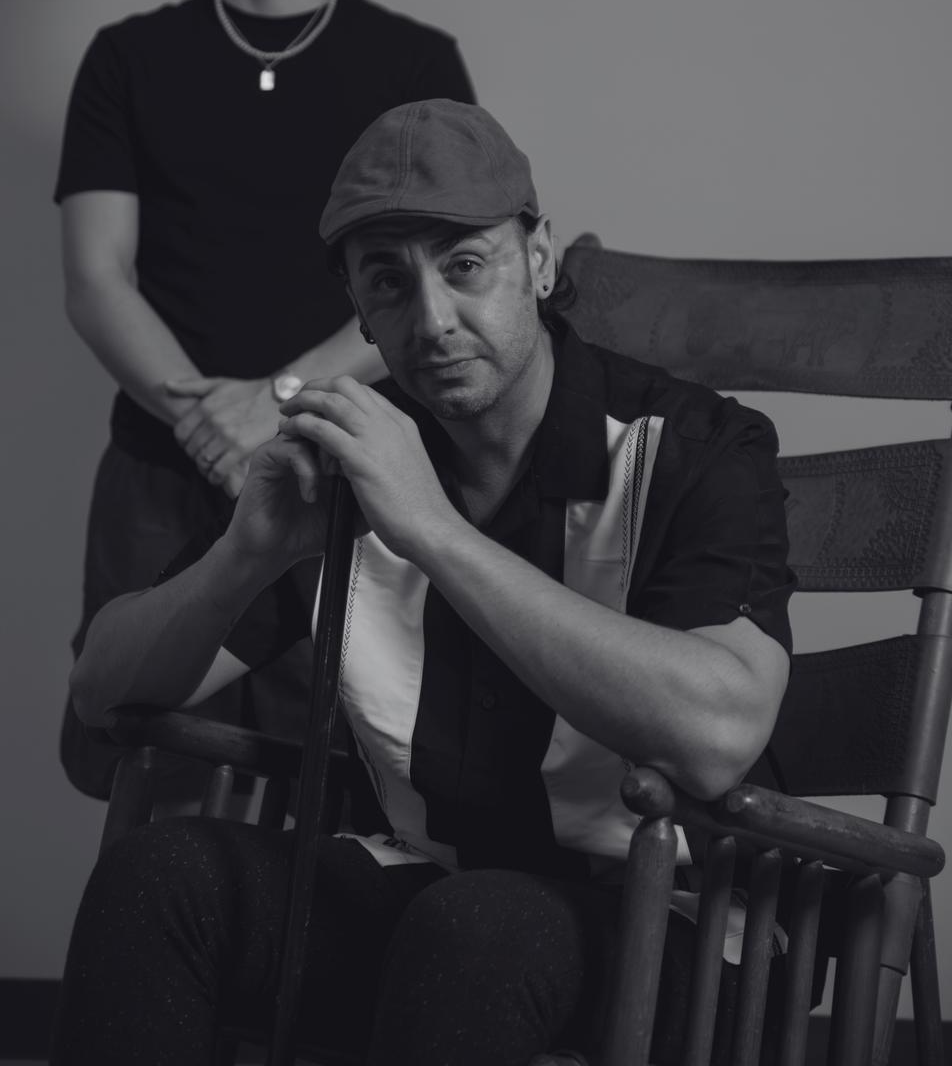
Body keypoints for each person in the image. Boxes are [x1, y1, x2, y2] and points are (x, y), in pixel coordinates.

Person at [53, 98, 794, 1066]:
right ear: (359, 309)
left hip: (672, 912)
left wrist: (432, 530)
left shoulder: (694, 448)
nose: (433, 320)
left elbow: (717, 736)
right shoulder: (349, 457)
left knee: (477, 928)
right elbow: (102, 693)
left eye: (465, 266)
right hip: (422, 893)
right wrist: (246, 555)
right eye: (388, 281)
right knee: (160, 876)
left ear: (538, 259)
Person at [55, 0, 475, 798]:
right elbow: (97, 278)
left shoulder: (413, 63)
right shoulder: (127, 58)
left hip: (343, 458)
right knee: (134, 749)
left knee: (330, 774)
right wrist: (209, 421)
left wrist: (277, 403)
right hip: (159, 465)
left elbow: (439, 280)